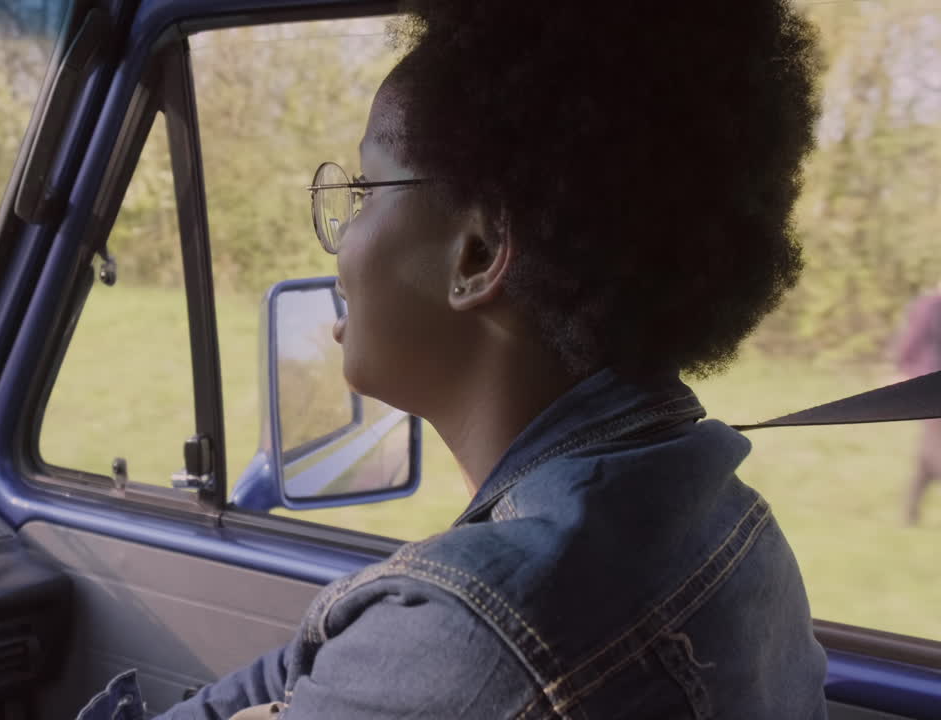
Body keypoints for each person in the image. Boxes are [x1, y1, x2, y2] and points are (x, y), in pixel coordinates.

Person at [82, 1, 829, 717]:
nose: (342, 245)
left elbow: (425, 658)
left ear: (476, 254)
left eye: (365, 189)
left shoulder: (477, 637)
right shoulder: (733, 523)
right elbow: (296, 673)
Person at [894, 282, 941, 526]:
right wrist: (903, 370)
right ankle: (910, 513)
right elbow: (909, 343)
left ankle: (910, 513)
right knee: (935, 452)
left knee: (928, 457)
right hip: (932, 388)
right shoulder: (930, 306)